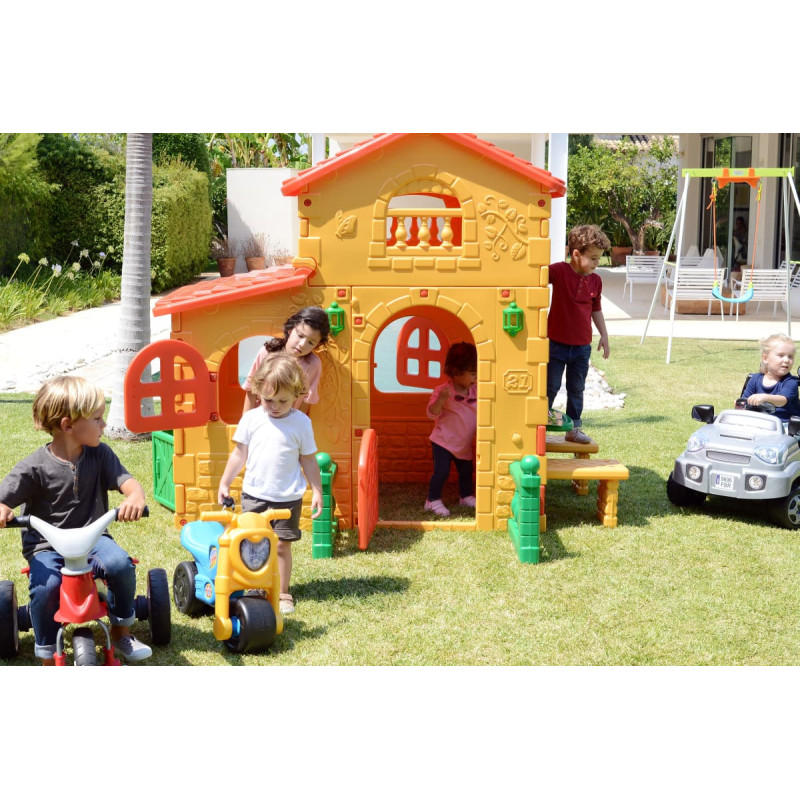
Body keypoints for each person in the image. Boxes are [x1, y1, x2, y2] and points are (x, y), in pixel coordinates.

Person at [0, 376, 150, 665]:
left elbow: (128, 483)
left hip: (94, 540)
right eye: (97, 418)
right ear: (68, 425)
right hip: (47, 546)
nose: (103, 425)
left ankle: (121, 632)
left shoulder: (101, 455)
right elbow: (3, 498)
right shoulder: (34, 467)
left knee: (120, 564)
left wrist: (135, 497)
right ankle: (47, 653)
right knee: (46, 587)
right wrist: (4, 509)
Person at [219, 352, 323, 615]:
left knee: (281, 545)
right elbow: (239, 454)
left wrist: (317, 490)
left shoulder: (301, 423)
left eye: (282, 401)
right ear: (258, 392)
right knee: (253, 543)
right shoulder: (251, 419)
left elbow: (309, 459)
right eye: (268, 400)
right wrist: (225, 482)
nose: (275, 406)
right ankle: (255, 587)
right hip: (254, 495)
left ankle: (283, 592)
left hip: (287, 498)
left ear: (297, 394)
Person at [547, 224, 612, 444]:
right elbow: (534, 276)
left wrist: (604, 335)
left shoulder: (596, 281)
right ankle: (539, 424)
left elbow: (596, 309)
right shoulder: (559, 271)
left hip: (582, 347)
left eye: (599, 258)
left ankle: (574, 429)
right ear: (576, 255)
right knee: (550, 386)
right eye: (593, 258)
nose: (597, 263)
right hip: (556, 344)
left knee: (577, 388)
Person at [242, 306, 331, 415]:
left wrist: (298, 423)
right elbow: (251, 389)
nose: (302, 344)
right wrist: (245, 421)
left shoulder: (313, 364)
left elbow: (305, 400)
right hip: (262, 417)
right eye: (300, 335)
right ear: (290, 329)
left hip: (289, 420)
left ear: (317, 345)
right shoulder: (267, 353)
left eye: (311, 342)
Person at [424, 342, 478, 518]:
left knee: (466, 472)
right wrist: (441, 399)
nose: (476, 377)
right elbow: (431, 413)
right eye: (472, 373)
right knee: (442, 472)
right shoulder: (443, 390)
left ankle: (466, 496)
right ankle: (432, 500)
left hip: (463, 443)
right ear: (456, 372)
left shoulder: (476, 391)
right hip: (443, 442)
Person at [741, 333, 800, 422]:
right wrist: (740, 403)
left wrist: (765, 398)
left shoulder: (790, 382)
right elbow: (744, 400)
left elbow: (782, 400)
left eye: (790, 356)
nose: (786, 360)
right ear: (765, 358)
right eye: (781, 355)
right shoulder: (755, 379)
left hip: (785, 423)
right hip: (760, 421)